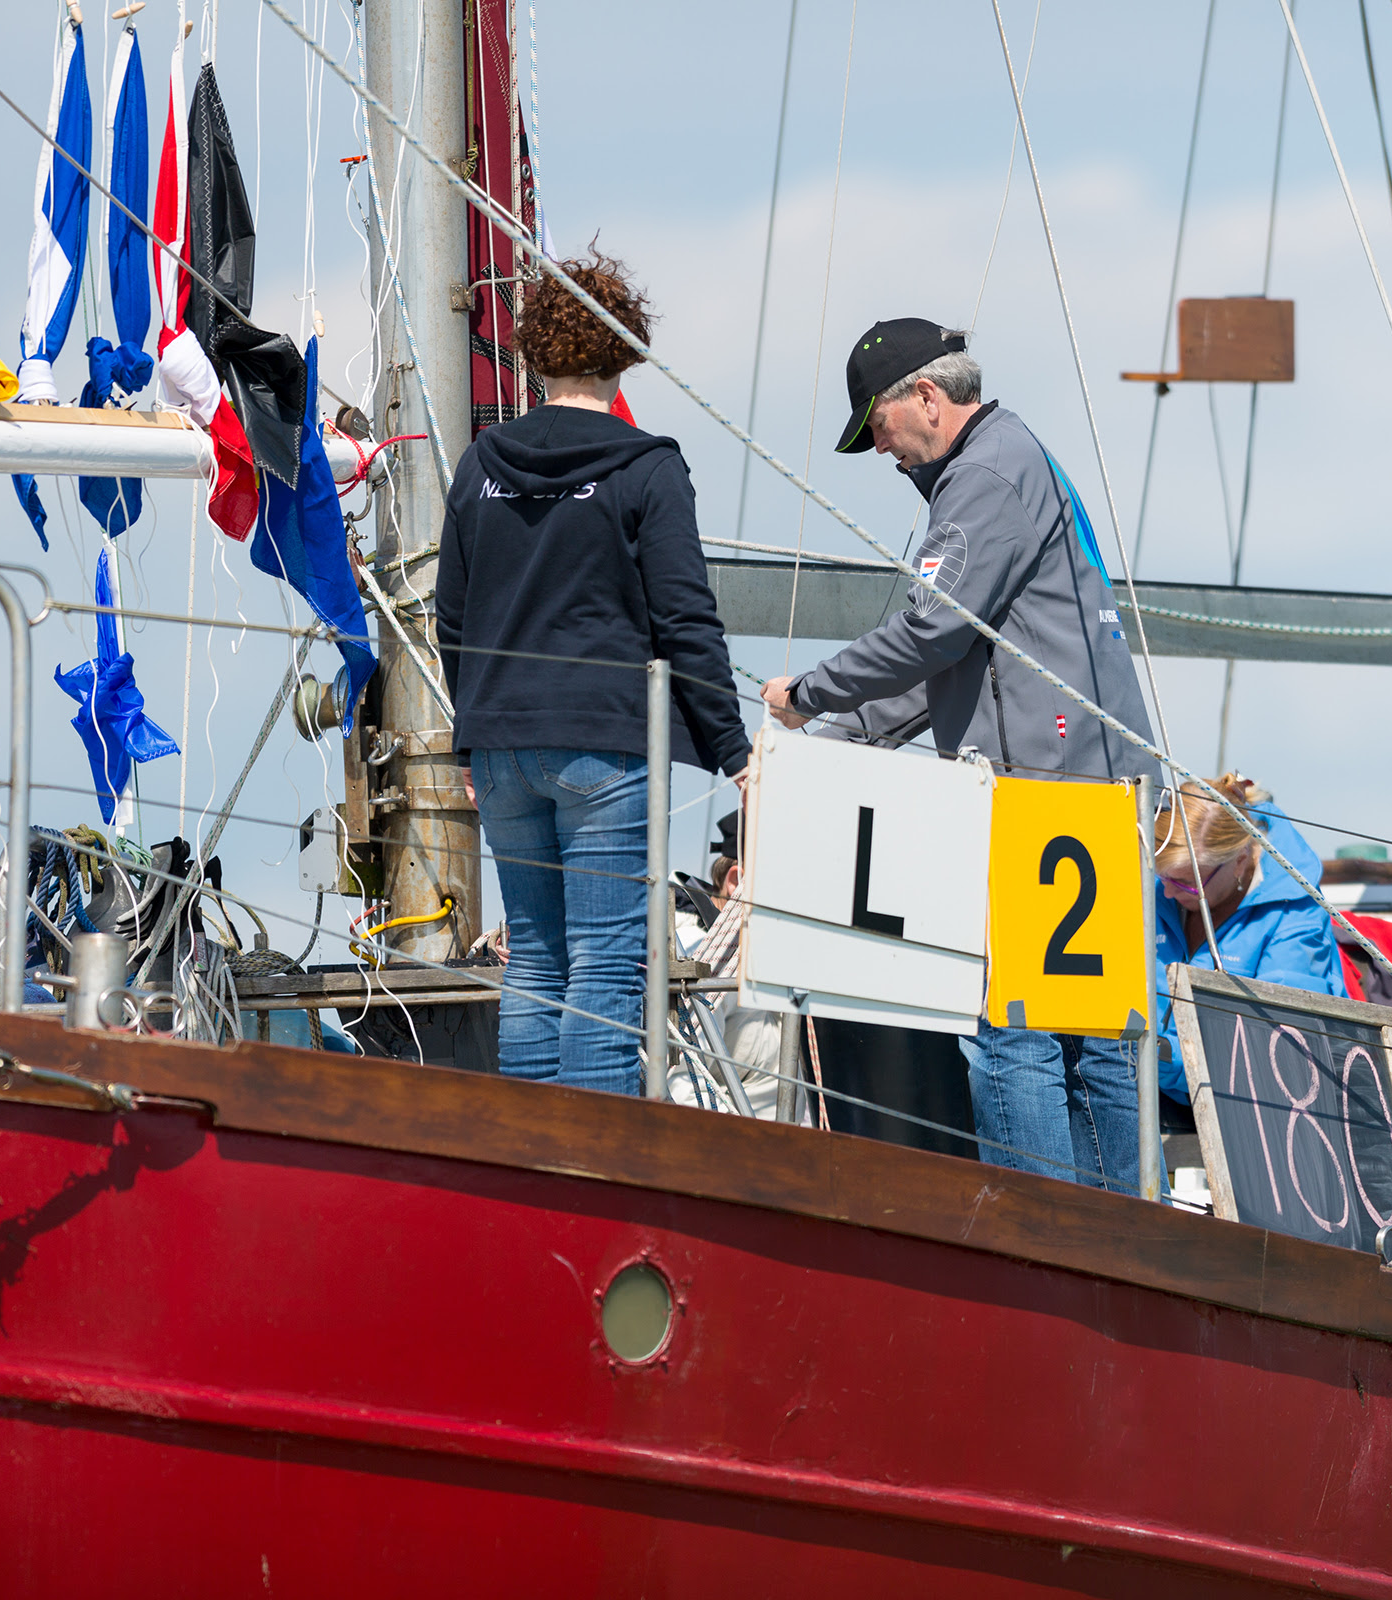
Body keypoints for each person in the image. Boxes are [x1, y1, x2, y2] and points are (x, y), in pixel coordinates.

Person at [760, 318, 1156, 1191]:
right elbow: (949, 654)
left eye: (880, 430)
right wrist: (828, 744)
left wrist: (811, 695)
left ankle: (1041, 1237)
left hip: (1043, 793)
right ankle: (1118, 1231)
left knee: (1011, 1029)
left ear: (928, 399)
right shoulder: (1015, 459)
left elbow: (930, 631)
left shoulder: (978, 478)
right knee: (1093, 1040)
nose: (881, 455)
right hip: (1088, 783)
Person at [438, 252, 751, 1095]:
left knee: (535, 960)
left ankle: (532, 1158)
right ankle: (591, 1174)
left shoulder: (480, 466)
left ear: (533, 358)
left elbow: (453, 617)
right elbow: (686, 620)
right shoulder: (648, 468)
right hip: (603, 744)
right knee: (605, 971)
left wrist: (471, 739)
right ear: (626, 357)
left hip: (501, 746)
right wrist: (734, 752)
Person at [1150, 775, 1348, 1108]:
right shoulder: (1162, 893)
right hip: (1163, 1089)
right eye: (1163, 876)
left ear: (1240, 860)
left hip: (1261, 1103)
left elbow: (1277, 1046)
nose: (1167, 892)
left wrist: (1156, 1061)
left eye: (1187, 883)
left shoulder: (1295, 913)